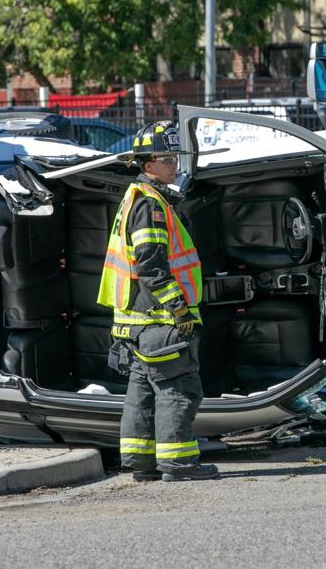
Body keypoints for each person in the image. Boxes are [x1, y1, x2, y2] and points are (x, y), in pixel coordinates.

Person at [97, 120, 218, 482]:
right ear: (149, 165)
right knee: (177, 389)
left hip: (134, 325)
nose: (175, 165)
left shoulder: (138, 199)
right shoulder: (150, 206)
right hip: (160, 321)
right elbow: (151, 266)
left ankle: (140, 464)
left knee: (141, 395)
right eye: (168, 159)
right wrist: (178, 307)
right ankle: (180, 464)